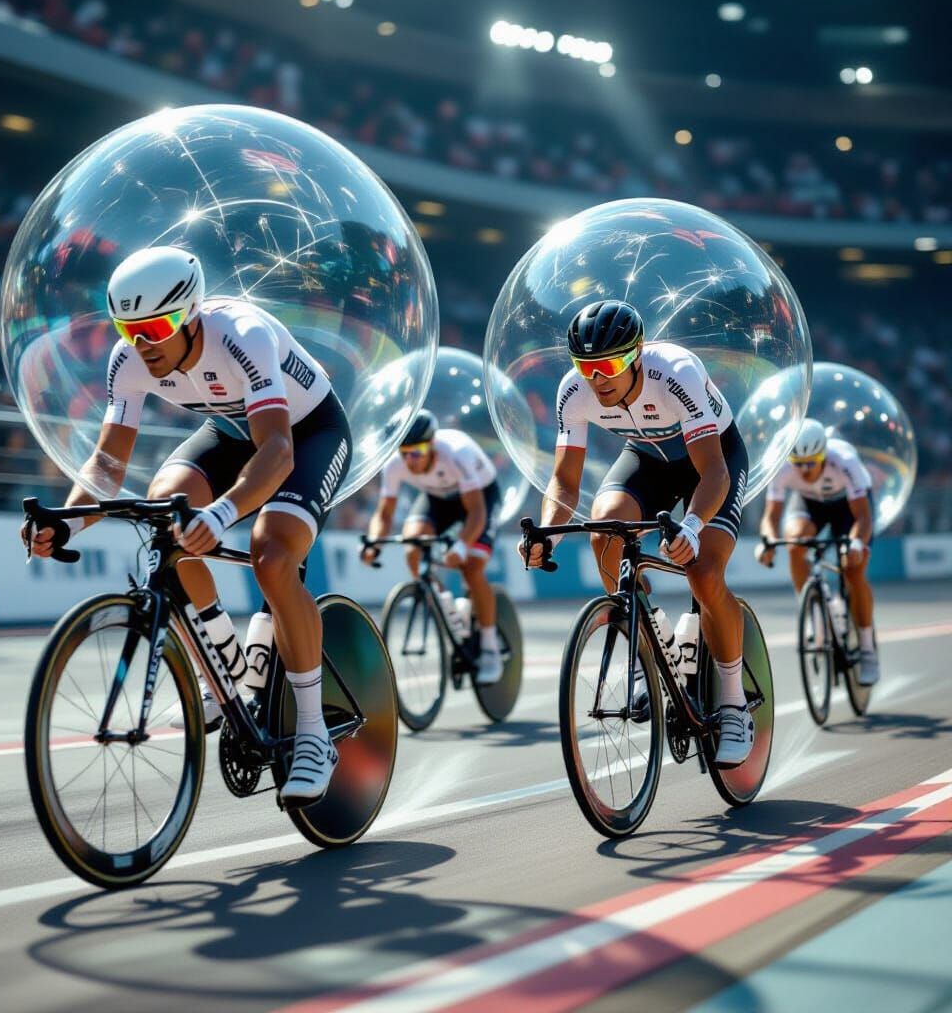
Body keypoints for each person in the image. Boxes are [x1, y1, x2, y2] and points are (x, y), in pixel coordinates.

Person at [23, 246, 351, 806]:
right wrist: (70, 522)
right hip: (229, 430)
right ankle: (224, 663)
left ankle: (314, 734)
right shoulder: (129, 360)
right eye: (128, 330)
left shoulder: (244, 334)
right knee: (166, 513)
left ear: (191, 314)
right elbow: (107, 465)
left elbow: (277, 450)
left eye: (155, 328)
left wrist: (222, 512)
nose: (142, 344)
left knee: (272, 556)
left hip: (307, 433)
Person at [519, 299, 753, 767]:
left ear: (637, 353)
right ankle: (651, 644)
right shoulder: (573, 391)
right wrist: (549, 536)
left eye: (608, 366)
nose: (596, 379)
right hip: (647, 459)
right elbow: (565, 481)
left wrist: (692, 526)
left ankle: (733, 704)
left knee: (704, 574)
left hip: (713, 462)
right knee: (604, 532)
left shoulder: (677, 373)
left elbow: (714, 473)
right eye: (585, 367)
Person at [361, 410, 505, 684]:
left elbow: (476, 512)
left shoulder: (457, 453)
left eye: (417, 453)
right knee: (413, 545)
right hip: (437, 499)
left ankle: (489, 647)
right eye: (404, 453)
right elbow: (384, 513)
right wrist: (374, 542)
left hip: (480, 497)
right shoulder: (395, 464)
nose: (410, 460)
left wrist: (461, 546)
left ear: (432, 444)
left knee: (472, 567)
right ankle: (446, 604)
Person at [757, 418, 878, 685]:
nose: (804, 470)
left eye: (811, 462)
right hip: (809, 504)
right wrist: (767, 541)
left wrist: (855, 544)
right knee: (795, 545)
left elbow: (863, 517)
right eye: (798, 463)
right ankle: (812, 611)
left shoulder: (845, 460)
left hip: (849, 508)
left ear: (823, 454)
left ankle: (867, 648)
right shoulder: (781, 464)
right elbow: (771, 517)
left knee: (853, 570)